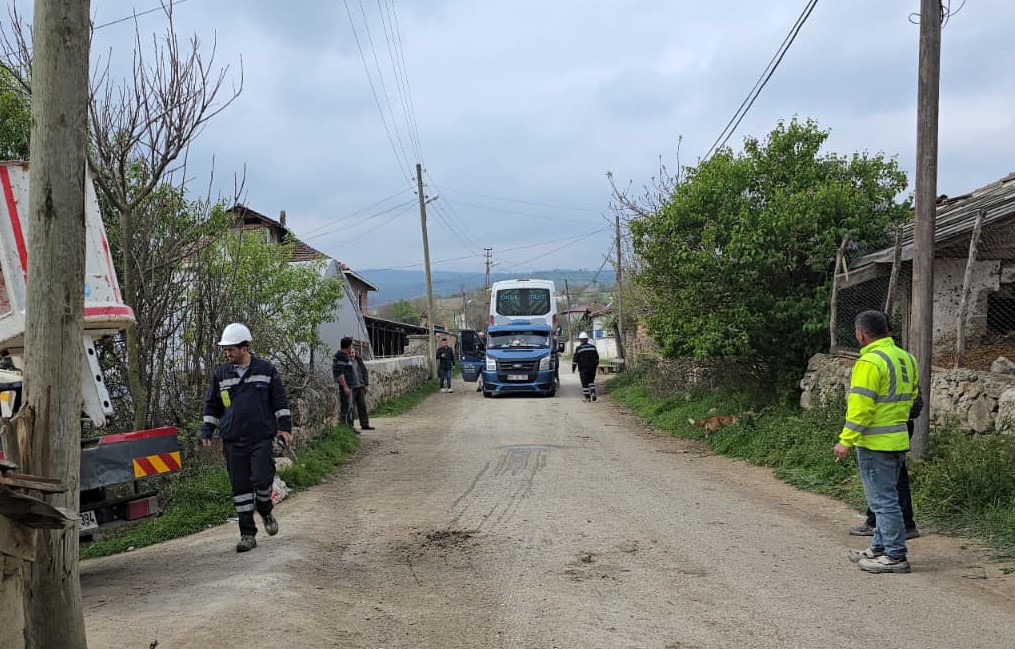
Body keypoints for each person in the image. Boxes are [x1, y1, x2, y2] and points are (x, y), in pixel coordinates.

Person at [833, 310, 919, 574]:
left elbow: (860, 408)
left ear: (861, 334)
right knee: (888, 498)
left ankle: (895, 556)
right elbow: (915, 398)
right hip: (899, 438)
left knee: (883, 503)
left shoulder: (869, 362)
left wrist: (845, 440)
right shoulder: (906, 358)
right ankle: (879, 548)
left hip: (875, 442)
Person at [201, 323, 293, 553]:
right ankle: (247, 535)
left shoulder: (266, 370)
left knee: (262, 480)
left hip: (260, 438)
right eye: (225, 350)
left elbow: (280, 403)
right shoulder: (221, 374)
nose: (227, 353)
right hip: (233, 441)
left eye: (231, 349)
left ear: (244, 347)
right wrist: (207, 431)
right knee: (240, 490)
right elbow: (212, 406)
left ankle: (265, 508)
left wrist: (285, 429)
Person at [849, 392, 923, 540]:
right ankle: (893, 525)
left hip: (885, 428)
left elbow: (864, 403)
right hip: (900, 424)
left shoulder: (876, 367)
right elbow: (917, 400)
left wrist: (847, 438)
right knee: (894, 477)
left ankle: (892, 535)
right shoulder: (905, 367)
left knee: (885, 484)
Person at [348, 345, 375, 431]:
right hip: (351, 388)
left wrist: (366, 385)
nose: (351, 354)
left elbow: (365, 372)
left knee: (362, 406)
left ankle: (365, 424)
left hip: (360, 387)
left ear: (355, 353)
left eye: (352, 353)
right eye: (350, 353)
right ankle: (350, 426)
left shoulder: (359, 361)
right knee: (350, 407)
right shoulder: (345, 363)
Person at [332, 337, 356, 430]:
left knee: (349, 407)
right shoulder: (341, 357)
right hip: (345, 387)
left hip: (349, 385)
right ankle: (345, 427)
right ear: (349, 346)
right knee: (346, 407)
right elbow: (340, 374)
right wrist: (345, 387)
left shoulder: (343, 356)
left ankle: (349, 428)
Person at [572, 332, 600, 402]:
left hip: (583, 369)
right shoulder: (593, 347)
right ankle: (593, 393)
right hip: (592, 369)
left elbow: (575, 360)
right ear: (587, 339)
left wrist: (573, 369)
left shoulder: (579, 348)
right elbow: (597, 359)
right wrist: (595, 366)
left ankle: (587, 398)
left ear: (580, 340)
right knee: (591, 381)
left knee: (585, 383)